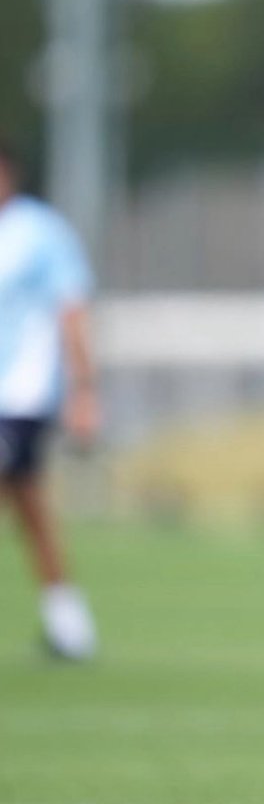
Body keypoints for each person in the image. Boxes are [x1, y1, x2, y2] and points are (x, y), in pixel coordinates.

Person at [0, 136, 99, 661]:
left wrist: (83, 392)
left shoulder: (39, 233)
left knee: (23, 504)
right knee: (30, 508)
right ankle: (70, 624)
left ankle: (70, 624)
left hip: (21, 396)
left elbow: (71, 311)